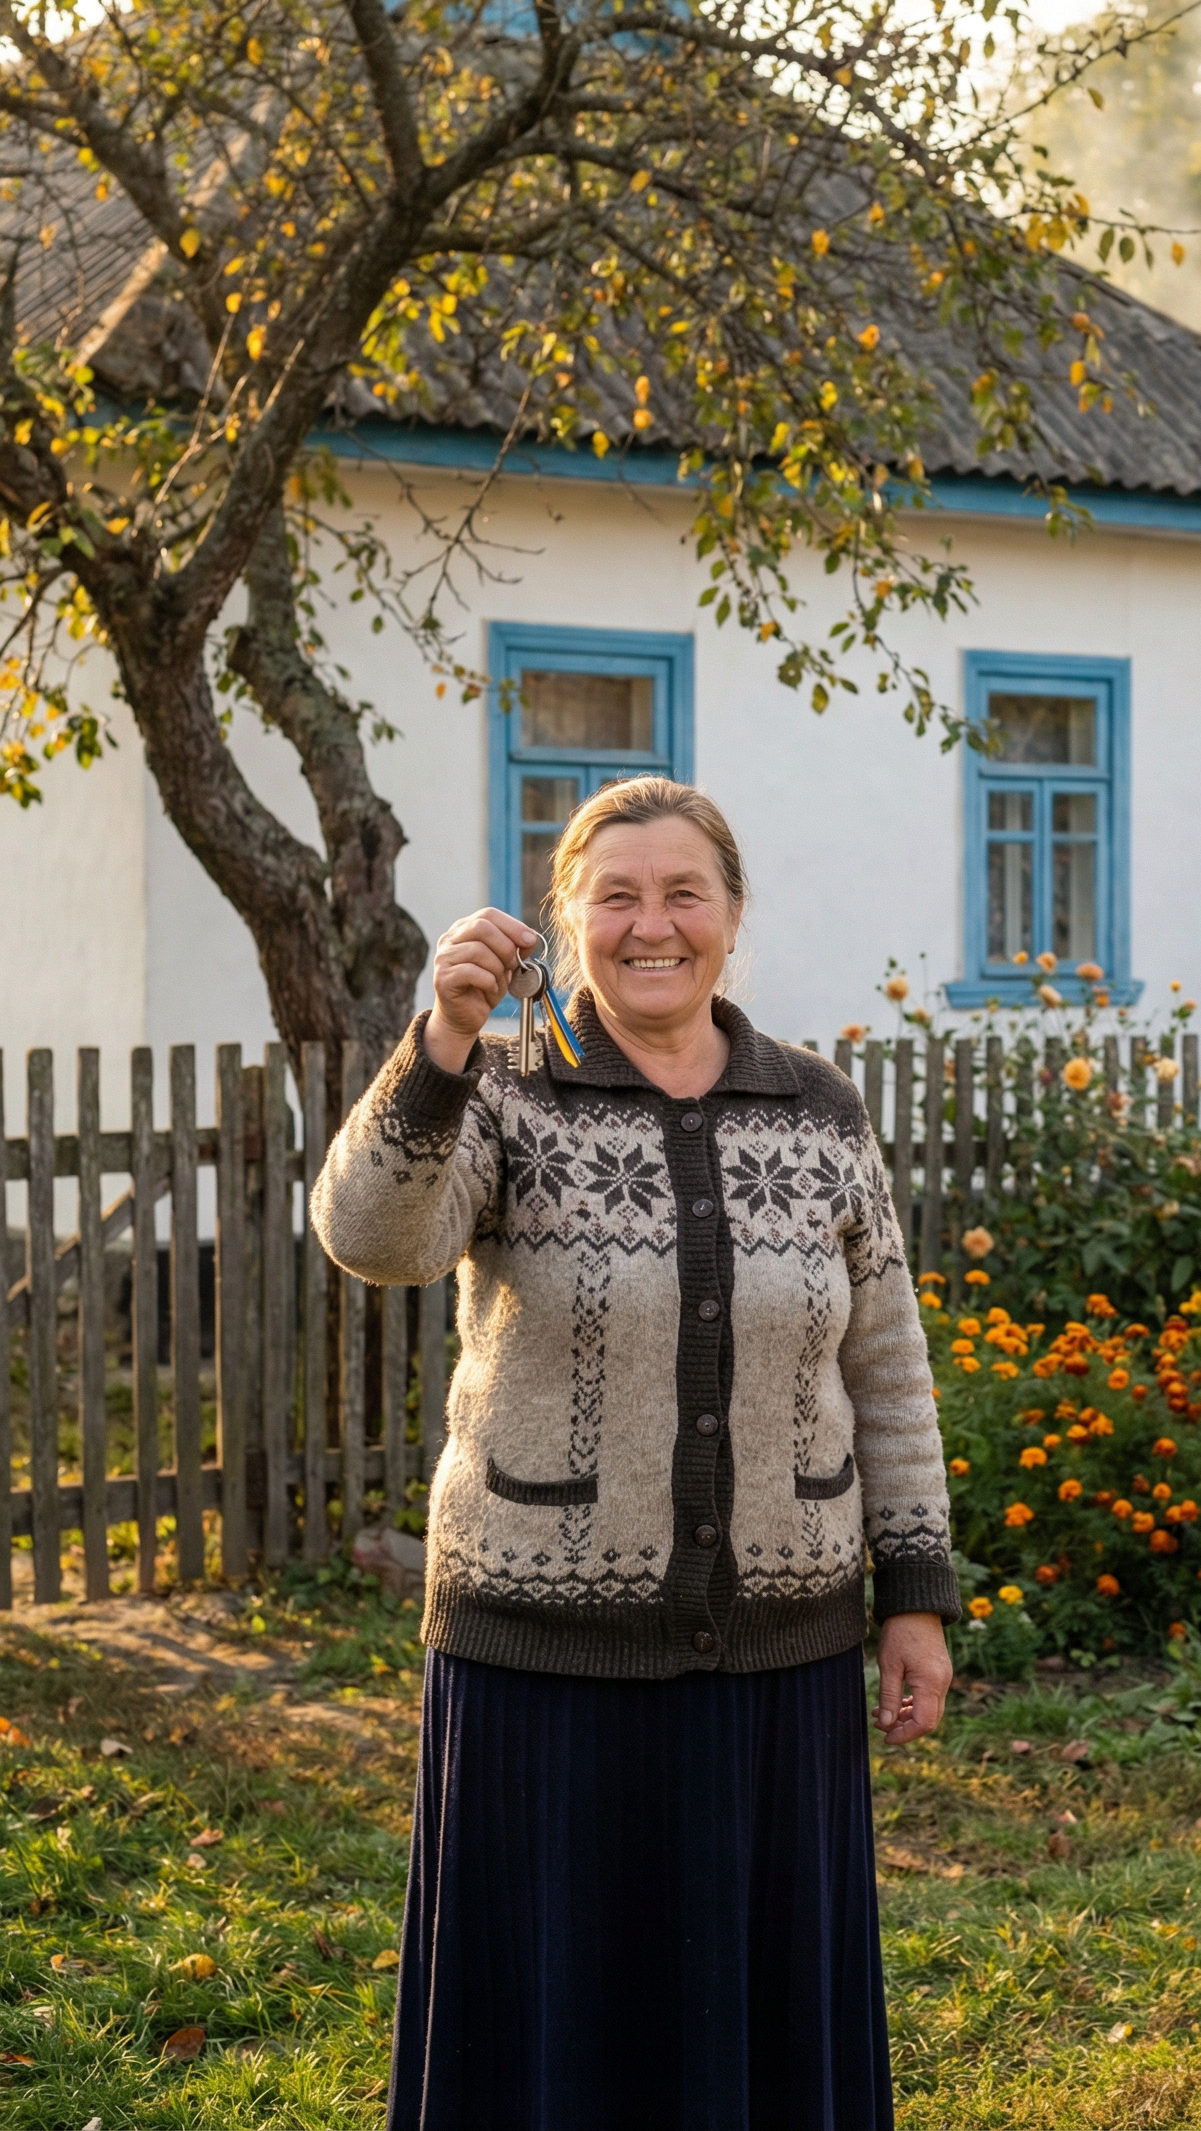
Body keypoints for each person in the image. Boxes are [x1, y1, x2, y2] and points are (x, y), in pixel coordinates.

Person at [312, 776, 957, 2131]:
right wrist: (437, 1038)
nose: (650, 925)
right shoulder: (498, 1087)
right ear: (568, 918)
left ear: (732, 917)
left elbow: (887, 1367)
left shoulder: (819, 1109)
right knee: (554, 2029)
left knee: (757, 2022)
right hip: (538, 1656)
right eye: (617, 896)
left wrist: (914, 1594)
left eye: (684, 894)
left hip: (777, 1658)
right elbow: (371, 1238)